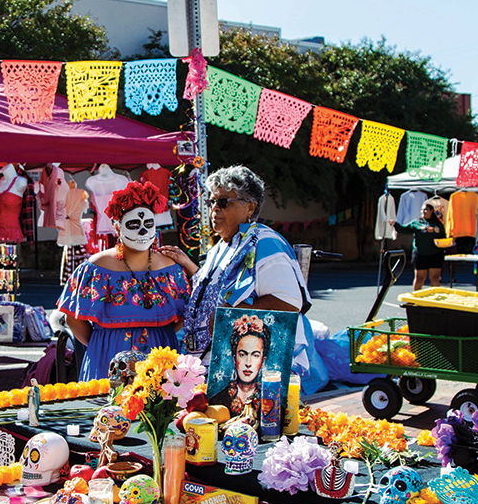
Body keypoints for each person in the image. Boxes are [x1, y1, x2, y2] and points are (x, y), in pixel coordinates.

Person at [160, 165, 325, 394]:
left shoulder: (263, 243)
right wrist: (189, 266)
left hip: (244, 379)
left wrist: (230, 315)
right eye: (212, 202)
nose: (214, 209)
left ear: (250, 207)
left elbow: (288, 302)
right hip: (208, 369)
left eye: (223, 202)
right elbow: (214, 291)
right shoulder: (223, 246)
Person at [57, 181, 192, 380]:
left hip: (158, 359)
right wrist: (100, 345)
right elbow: (74, 318)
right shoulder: (95, 268)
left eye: (148, 224)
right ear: (117, 228)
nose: (143, 231)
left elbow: (183, 314)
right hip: (107, 358)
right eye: (133, 225)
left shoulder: (171, 268)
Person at [209, 314, 271, 417]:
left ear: (263, 361)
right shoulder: (217, 400)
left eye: (255, 355)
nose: (248, 363)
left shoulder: (271, 402)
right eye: (242, 355)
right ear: (234, 359)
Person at [396, 202, 446, 291]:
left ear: (431, 211)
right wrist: (394, 224)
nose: (423, 211)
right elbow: (404, 229)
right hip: (420, 254)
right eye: (422, 210)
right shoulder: (416, 222)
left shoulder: (438, 223)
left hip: (435, 254)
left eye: (426, 209)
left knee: (434, 277)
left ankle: (434, 299)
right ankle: (416, 299)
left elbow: (443, 235)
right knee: (420, 277)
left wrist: (435, 231)